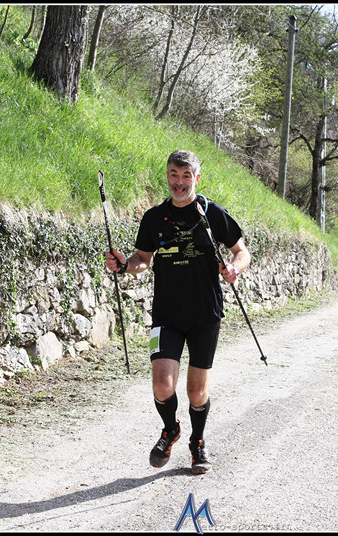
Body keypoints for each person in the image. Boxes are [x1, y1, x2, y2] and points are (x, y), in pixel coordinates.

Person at [104, 149, 252, 475]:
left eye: (186, 176)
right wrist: (125, 265)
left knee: (196, 392)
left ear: (196, 178)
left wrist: (234, 269)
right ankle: (170, 429)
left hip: (205, 314)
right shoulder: (154, 218)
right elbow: (143, 259)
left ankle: (197, 441)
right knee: (162, 384)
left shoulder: (212, 213)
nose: (179, 182)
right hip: (166, 314)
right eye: (174, 174)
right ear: (168, 176)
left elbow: (241, 252)